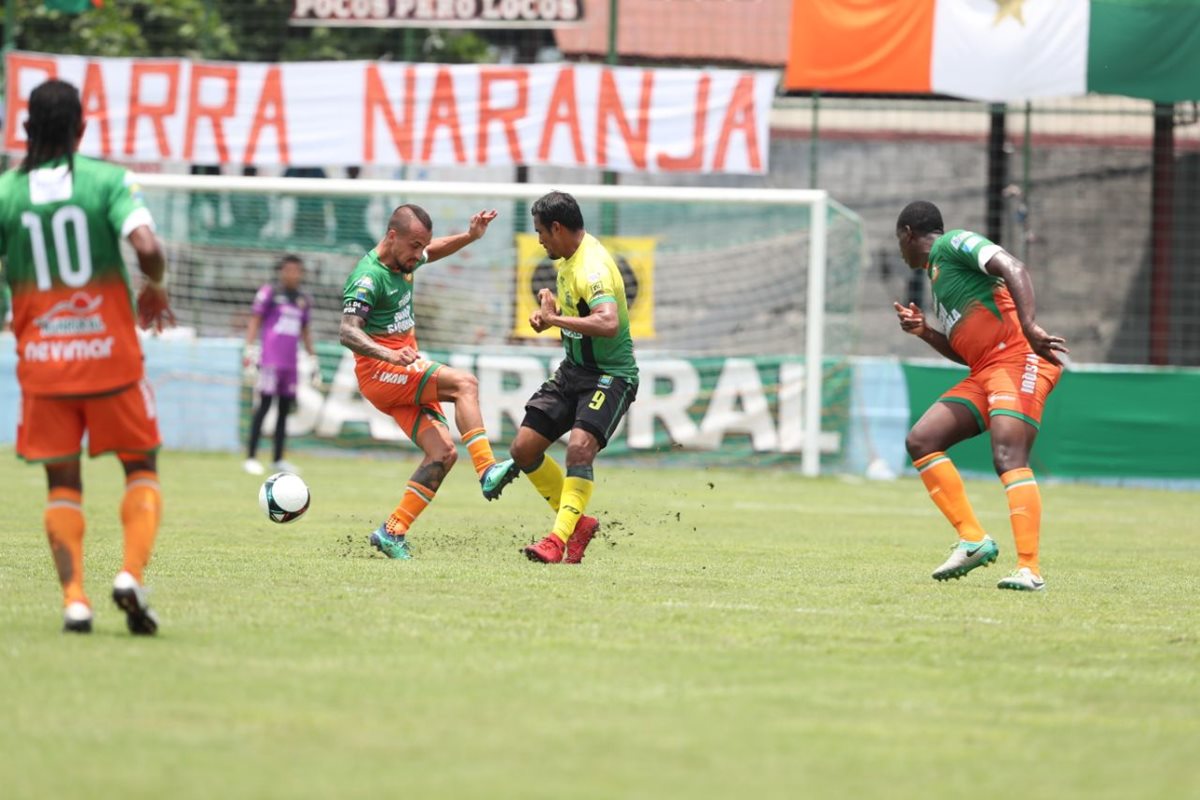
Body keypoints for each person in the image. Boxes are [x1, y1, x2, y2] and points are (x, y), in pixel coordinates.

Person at [0, 79, 174, 633]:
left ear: (26, 129)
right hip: (110, 361)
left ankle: (75, 600)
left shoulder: (5, 193)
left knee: (62, 484)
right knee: (140, 466)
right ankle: (129, 575)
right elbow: (147, 247)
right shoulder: (107, 180)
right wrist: (155, 287)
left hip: (43, 364)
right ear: (81, 128)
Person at [893, 200, 1067, 591]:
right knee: (922, 440)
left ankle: (1029, 569)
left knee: (1008, 455)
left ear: (908, 233)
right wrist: (925, 331)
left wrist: (1029, 325)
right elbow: (968, 352)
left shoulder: (953, 243)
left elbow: (1013, 266)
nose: (900, 251)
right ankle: (973, 540)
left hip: (1019, 358)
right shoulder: (940, 279)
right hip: (986, 370)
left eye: (898, 241)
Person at [340, 203, 519, 559]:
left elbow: (432, 251)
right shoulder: (368, 277)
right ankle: (486, 469)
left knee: (443, 453)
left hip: (398, 374)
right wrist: (389, 355)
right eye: (414, 246)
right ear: (393, 236)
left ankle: (392, 531)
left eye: (422, 245)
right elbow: (347, 332)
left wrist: (469, 236)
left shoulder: (405, 258)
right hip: (382, 371)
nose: (419, 254)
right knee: (465, 384)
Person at [496, 191, 639, 565]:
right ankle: (579, 524)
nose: (540, 239)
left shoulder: (592, 267)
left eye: (541, 232)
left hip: (610, 375)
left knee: (579, 449)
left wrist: (555, 319)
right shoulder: (569, 259)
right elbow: (583, 315)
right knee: (523, 449)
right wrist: (553, 315)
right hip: (573, 371)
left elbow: (607, 322)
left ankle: (557, 540)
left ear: (557, 228)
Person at [243, 254, 314, 476]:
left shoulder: (303, 300)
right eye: (288, 269)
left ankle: (277, 459)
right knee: (263, 407)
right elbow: (255, 320)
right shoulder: (270, 293)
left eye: (296, 270)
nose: (292, 274)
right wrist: (249, 349)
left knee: (284, 411)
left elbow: (305, 331)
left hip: (290, 364)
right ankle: (251, 457)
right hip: (270, 362)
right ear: (281, 271)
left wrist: (313, 358)